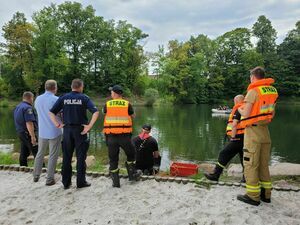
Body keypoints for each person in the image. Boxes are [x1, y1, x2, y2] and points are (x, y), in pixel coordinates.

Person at [237, 67, 278, 206]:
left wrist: (239, 107)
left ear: (253, 77)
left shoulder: (253, 91)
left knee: (251, 164)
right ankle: (266, 195)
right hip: (265, 132)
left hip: (253, 133)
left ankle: (253, 196)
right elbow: (272, 114)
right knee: (263, 165)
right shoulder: (272, 91)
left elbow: (246, 113)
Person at [49, 79, 99, 189]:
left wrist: (57, 124)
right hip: (81, 131)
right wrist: (89, 126)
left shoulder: (64, 97)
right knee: (81, 157)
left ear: (72, 86)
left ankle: (66, 183)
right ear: (81, 87)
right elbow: (95, 112)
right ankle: (81, 182)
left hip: (67, 130)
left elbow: (51, 112)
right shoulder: (84, 98)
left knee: (67, 157)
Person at [103, 84, 140, 188]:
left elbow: (105, 114)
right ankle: (132, 175)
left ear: (115, 93)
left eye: (111, 92)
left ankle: (116, 183)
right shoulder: (127, 104)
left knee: (113, 159)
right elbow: (133, 116)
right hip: (125, 137)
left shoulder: (108, 104)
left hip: (111, 137)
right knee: (131, 154)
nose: (110, 93)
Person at [205, 95, 246, 182]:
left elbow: (234, 124)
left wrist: (233, 137)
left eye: (235, 101)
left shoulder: (239, 108)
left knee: (224, 154)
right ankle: (246, 178)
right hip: (245, 138)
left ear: (237, 101)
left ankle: (216, 175)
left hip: (238, 137)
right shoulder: (246, 108)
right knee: (244, 158)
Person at [33, 80, 62, 186]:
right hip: (55, 130)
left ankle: (36, 175)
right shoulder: (56, 99)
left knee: (40, 153)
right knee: (53, 155)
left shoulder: (38, 99)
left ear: (45, 87)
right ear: (55, 88)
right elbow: (61, 114)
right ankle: (49, 179)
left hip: (42, 131)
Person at [13, 92, 38, 166]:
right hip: (28, 133)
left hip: (20, 132)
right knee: (36, 151)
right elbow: (29, 123)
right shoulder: (28, 108)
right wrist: (33, 136)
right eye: (33, 98)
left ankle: (23, 167)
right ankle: (40, 169)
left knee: (24, 151)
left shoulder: (18, 107)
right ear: (30, 98)